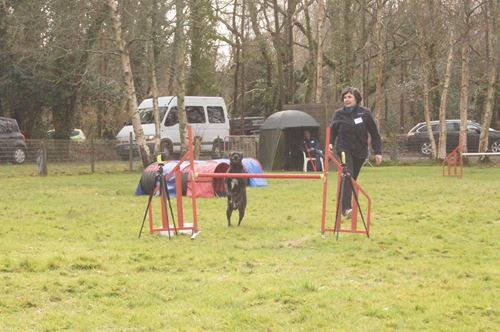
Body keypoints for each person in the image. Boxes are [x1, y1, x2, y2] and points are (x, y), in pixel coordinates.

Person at [330, 87, 382, 218]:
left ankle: (345, 206)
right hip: (344, 149)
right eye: (345, 97)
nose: (346, 100)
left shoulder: (365, 113)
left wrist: (378, 151)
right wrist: (329, 145)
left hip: (360, 151)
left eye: (349, 97)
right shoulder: (339, 114)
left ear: (356, 99)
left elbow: (374, 133)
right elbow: (332, 132)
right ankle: (346, 208)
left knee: (351, 179)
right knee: (347, 174)